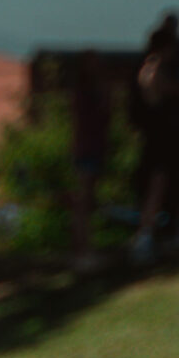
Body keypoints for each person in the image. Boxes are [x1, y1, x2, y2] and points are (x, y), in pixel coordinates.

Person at [129, 16, 179, 265]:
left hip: (161, 137)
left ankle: (168, 232)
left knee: (172, 185)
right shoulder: (154, 69)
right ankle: (145, 236)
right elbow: (171, 91)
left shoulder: (149, 68)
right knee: (158, 185)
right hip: (160, 137)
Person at [67, 49, 112, 263]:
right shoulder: (84, 93)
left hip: (94, 147)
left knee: (88, 201)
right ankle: (82, 250)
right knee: (83, 201)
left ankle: (87, 247)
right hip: (87, 149)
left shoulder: (92, 90)